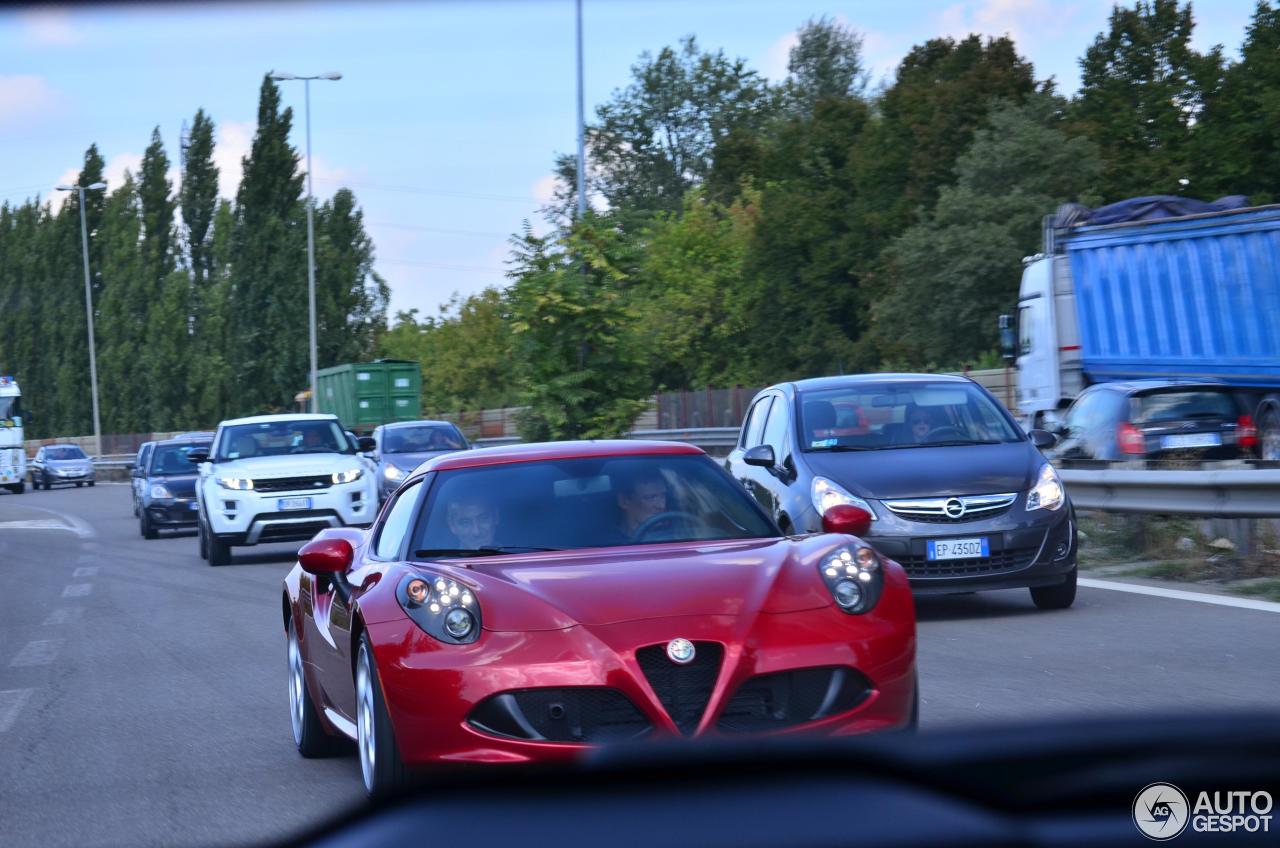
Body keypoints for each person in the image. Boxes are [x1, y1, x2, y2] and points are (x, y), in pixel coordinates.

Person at [615, 468, 669, 538]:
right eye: (650, 497)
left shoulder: (676, 535)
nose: (662, 505)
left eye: (663, 496)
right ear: (624, 501)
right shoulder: (609, 543)